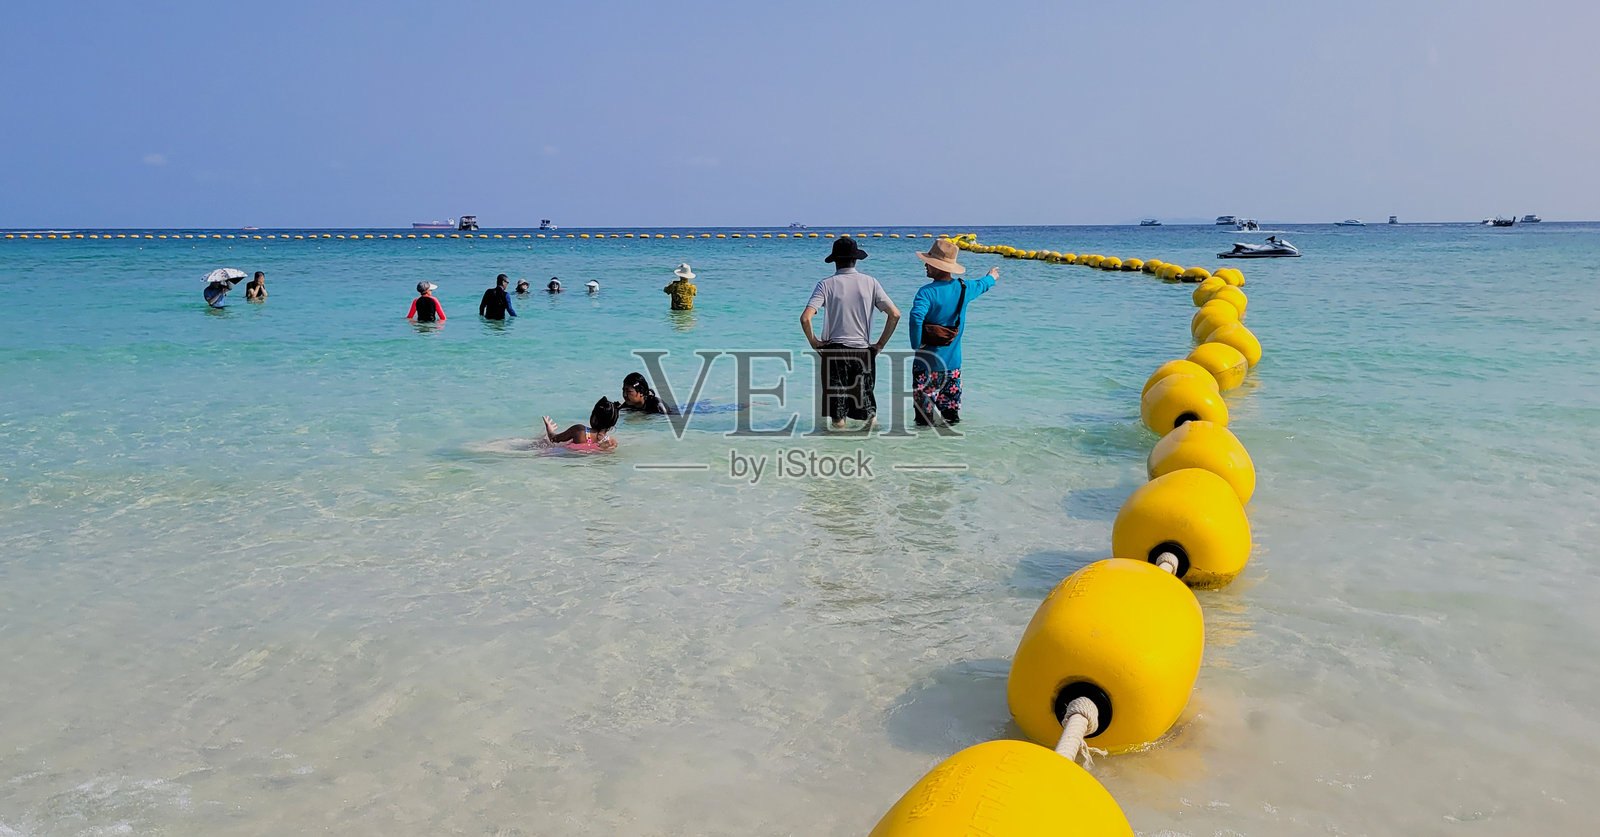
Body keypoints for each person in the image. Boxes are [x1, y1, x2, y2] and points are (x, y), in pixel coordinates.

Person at [800, 237, 900, 430]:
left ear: (835, 260)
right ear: (856, 260)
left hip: (834, 353)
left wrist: (814, 341)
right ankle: (873, 453)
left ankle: (839, 456)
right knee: (870, 414)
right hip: (863, 352)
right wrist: (880, 344)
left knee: (838, 418)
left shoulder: (825, 285)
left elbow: (805, 318)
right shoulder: (871, 283)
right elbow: (894, 314)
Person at [907, 239, 998, 427]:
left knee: (924, 421)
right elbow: (982, 284)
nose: (925, 265)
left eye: (929, 262)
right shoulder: (964, 288)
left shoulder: (926, 293)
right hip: (953, 368)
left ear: (938, 266)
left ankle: (922, 455)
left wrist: (916, 345)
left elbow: (916, 318)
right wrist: (992, 276)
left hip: (927, 367)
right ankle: (951, 453)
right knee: (951, 419)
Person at [542, 397, 621, 452]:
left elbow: (553, 439)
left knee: (542, 442)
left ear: (594, 417)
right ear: (612, 423)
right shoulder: (612, 442)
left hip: (566, 457)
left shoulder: (579, 430)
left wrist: (550, 429)